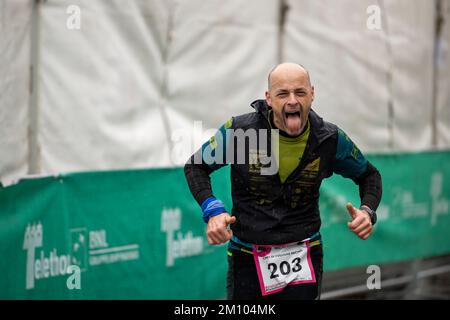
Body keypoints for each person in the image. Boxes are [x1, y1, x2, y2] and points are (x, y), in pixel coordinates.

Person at [184, 62, 382, 300]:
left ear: (312, 94)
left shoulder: (329, 138)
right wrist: (212, 210)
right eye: (282, 94)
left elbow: (369, 176)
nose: (292, 101)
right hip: (248, 256)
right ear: (268, 98)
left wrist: (367, 211)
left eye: (300, 92)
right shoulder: (241, 131)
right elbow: (196, 166)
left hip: (305, 251)